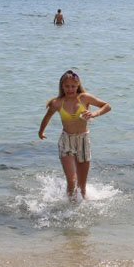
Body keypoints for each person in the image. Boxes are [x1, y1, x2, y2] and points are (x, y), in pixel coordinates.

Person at [39, 70, 111, 199]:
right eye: (67, 86)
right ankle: (69, 209)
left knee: (81, 186)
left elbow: (107, 106)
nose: (70, 89)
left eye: (73, 86)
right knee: (72, 181)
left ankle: (83, 210)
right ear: (62, 86)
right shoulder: (58, 102)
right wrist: (41, 132)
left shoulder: (84, 98)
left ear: (77, 85)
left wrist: (94, 114)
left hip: (83, 141)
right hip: (66, 141)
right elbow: (47, 117)